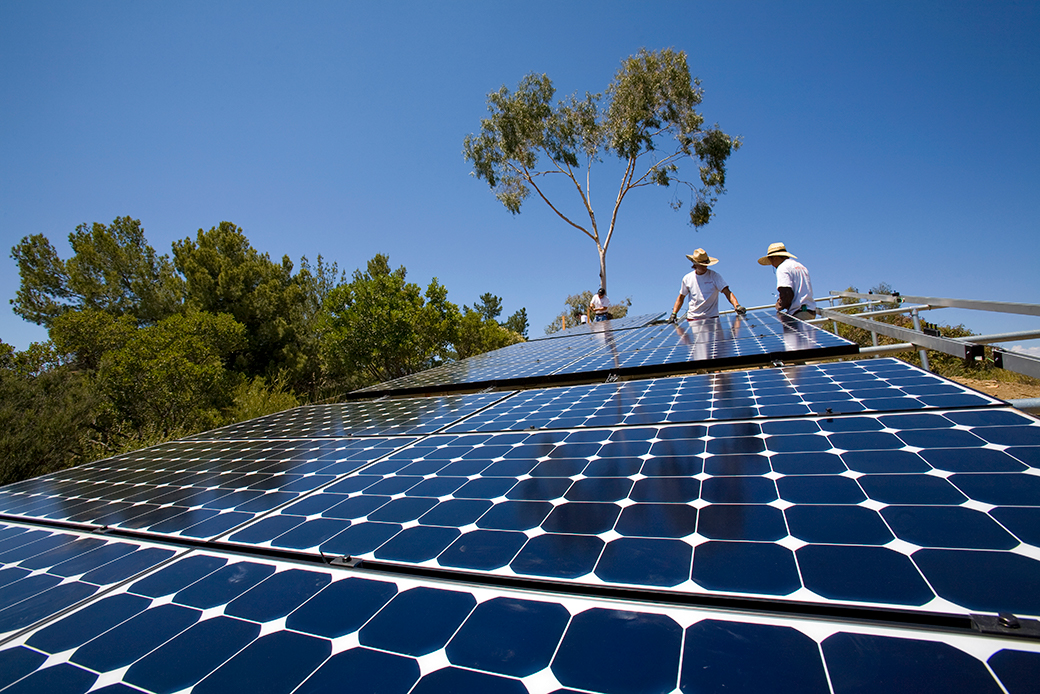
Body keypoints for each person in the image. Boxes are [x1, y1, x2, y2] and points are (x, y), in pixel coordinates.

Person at [668, 248, 745, 322]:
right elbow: (681, 297)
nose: (704, 267)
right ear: (695, 264)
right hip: (693, 319)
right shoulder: (687, 278)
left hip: (712, 318)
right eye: (701, 265)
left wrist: (737, 306)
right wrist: (674, 314)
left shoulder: (714, 276)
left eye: (705, 264)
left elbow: (727, 292)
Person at [758, 242, 816, 320]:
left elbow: (787, 293)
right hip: (810, 310)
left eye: (771, 261)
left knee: (791, 331)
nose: (773, 265)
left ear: (775, 257)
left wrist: (780, 305)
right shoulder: (800, 266)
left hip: (799, 313)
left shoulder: (782, 268)